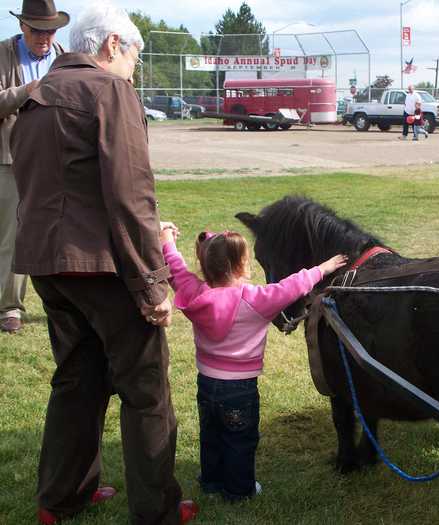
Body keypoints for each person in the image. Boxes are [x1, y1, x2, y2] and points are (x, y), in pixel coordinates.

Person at [10, 3, 197, 524]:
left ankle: (62, 497)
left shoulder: (36, 96)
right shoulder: (110, 90)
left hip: (47, 265)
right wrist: (153, 282)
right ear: (113, 44)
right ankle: (158, 511)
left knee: (78, 378)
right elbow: (131, 195)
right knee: (146, 389)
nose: (135, 69)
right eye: (134, 56)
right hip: (100, 267)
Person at [159, 226, 347, 502]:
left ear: (205, 264)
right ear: (239, 266)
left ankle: (211, 483)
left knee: (211, 435)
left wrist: (167, 242)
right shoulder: (257, 299)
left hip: (207, 383)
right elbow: (293, 285)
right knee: (240, 440)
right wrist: (324, 267)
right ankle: (238, 491)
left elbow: (176, 269)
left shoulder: (195, 292)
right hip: (240, 390)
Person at [0, 0, 66, 334]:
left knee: (58, 232)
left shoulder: (64, 56)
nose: (44, 37)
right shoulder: (2, 54)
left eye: (49, 30)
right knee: (12, 236)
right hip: (11, 160)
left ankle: (61, 304)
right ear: (22, 26)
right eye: (37, 30)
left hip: (56, 160)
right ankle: (10, 307)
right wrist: (26, 91)